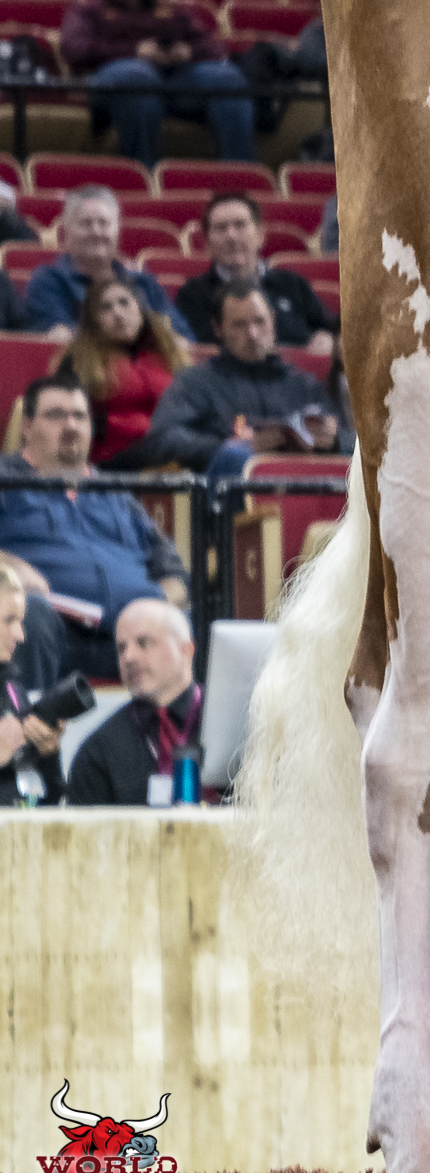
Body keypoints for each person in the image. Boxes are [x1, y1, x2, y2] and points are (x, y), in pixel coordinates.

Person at [0, 375, 191, 680]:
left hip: (131, 631)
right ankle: (24, 710)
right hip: (57, 628)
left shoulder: (116, 492)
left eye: (79, 416)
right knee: (29, 615)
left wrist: (163, 600)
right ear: (27, 426)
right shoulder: (6, 479)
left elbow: (171, 568)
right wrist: (9, 566)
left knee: (192, 626)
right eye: (55, 416)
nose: (71, 426)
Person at [59, 0, 255, 165]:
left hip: (173, 81)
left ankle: (240, 171)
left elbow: (212, 47)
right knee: (137, 75)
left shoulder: (171, 11)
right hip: (114, 81)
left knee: (226, 76)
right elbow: (75, 48)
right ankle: (144, 173)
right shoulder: (89, 8)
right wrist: (135, 52)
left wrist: (187, 51)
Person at [146, 283, 349, 479]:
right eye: (239, 325)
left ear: (273, 320)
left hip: (302, 490)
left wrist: (334, 441)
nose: (252, 334)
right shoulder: (195, 384)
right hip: (228, 492)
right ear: (217, 328)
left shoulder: (303, 384)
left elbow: (353, 443)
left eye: (260, 322)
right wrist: (230, 446)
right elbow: (162, 440)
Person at [65, 599, 200, 806]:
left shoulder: (231, 726)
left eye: (144, 643)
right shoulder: (99, 751)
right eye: (121, 648)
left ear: (186, 650)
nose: (129, 657)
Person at [24, 185, 188, 342]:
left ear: (117, 231)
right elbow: (59, 340)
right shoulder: (49, 282)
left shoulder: (143, 283)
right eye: (86, 223)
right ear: (67, 232)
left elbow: (182, 337)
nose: (96, 231)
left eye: (104, 223)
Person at [176, 194, 334, 356]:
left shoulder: (292, 284)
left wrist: (325, 337)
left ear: (260, 235)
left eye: (240, 225)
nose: (231, 236)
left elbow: (329, 328)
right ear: (207, 243)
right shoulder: (192, 296)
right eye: (221, 228)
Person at [64, 273, 188, 468]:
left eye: (124, 303)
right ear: (94, 321)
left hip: (170, 454)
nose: (118, 313)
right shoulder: (78, 362)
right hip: (111, 462)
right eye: (106, 308)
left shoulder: (168, 356)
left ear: (140, 309)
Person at [0, 571, 67, 804]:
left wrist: (49, 753)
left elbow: (50, 803)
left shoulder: (13, 689)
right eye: (9, 620)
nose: (20, 635)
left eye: (21, 621)